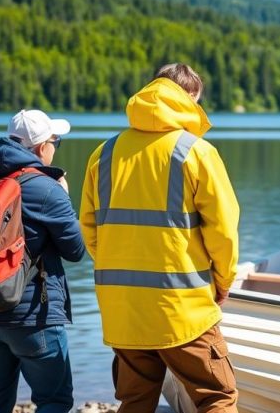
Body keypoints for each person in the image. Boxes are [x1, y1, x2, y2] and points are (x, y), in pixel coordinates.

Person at [79, 63, 240, 413]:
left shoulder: (103, 154)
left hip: (123, 308)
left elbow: (90, 230)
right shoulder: (197, 152)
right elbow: (223, 231)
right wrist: (223, 280)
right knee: (218, 396)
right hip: (182, 308)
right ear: (188, 100)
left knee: (135, 401)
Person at [0, 109, 85, 413]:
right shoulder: (46, 188)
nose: (54, 147)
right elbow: (75, 250)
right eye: (55, 141)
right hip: (32, 317)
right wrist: (64, 196)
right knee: (54, 400)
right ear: (40, 148)